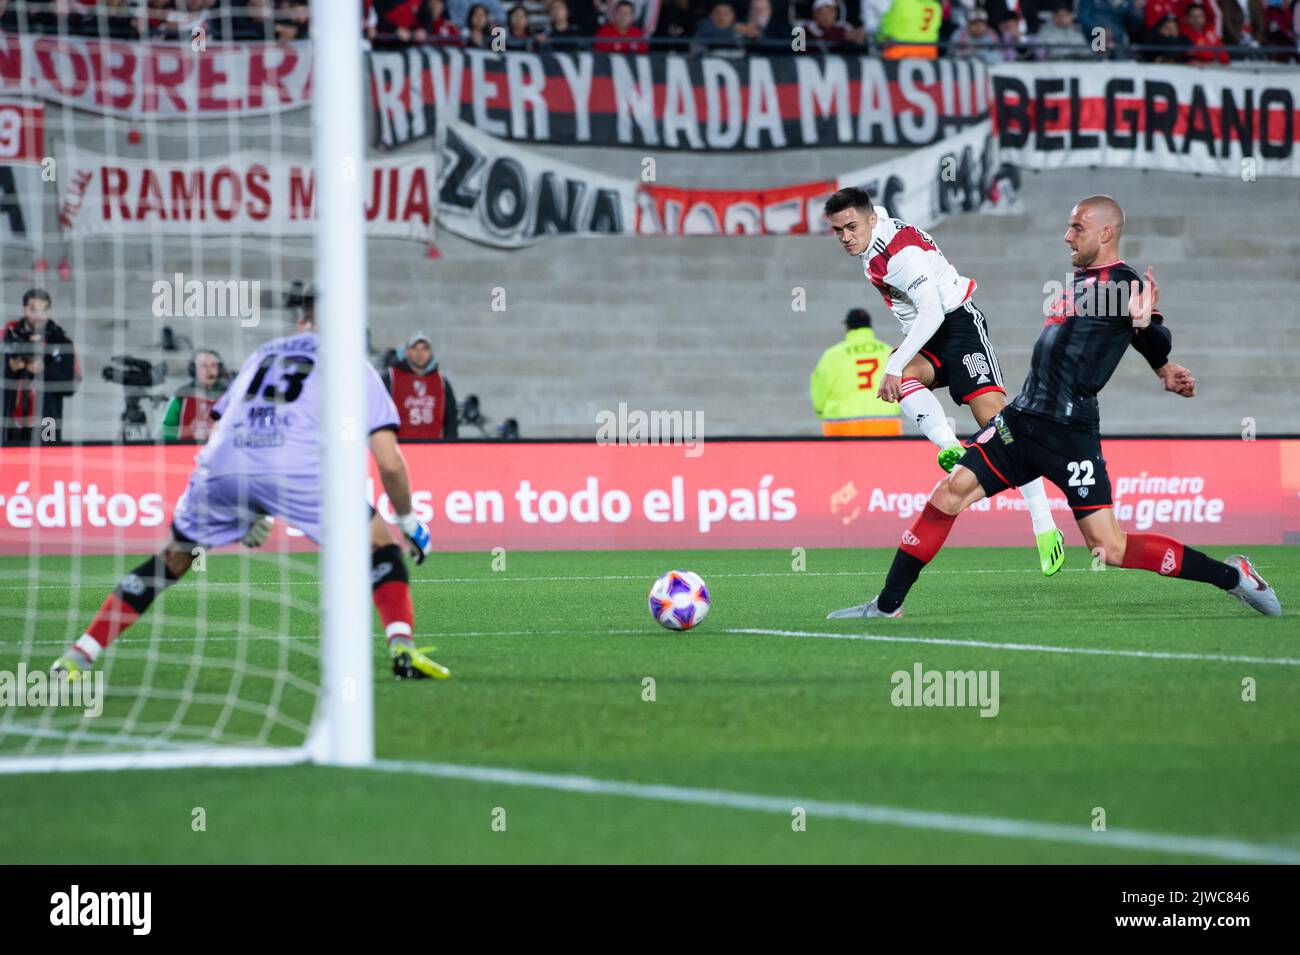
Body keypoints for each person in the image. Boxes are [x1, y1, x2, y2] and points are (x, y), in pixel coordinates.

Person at [828, 195, 1282, 620]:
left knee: (1109, 548)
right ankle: (887, 606)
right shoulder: (1082, 280)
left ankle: (1234, 576)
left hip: (1069, 431)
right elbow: (1138, 337)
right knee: (948, 494)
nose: (1067, 236)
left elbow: (1147, 330)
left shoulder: (1122, 281)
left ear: (1105, 233)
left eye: (1077, 228)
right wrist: (1163, 367)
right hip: (1024, 419)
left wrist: (1157, 344)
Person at [52, 289, 450, 681]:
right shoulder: (350, 363)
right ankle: (403, 648)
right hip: (294, 465)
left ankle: (79, 655)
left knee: (173, 559)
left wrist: (251, 503)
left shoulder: (263, 354)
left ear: (301, 323)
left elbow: (227, 424)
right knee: (380, 542)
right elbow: (389, 462)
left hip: (221, 463)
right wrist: (408, 518)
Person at [824, 187, 1065, 576]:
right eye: (837, 230)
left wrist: (893, 362)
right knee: (901, 376)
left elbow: (933, 311)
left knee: (998, 424)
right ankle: (953, 449)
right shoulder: (875, 234)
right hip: (929, 332)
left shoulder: (898, 254)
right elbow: (918, 311)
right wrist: (898, 364)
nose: (845, 237)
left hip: (957, 326)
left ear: (871, 220)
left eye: (851, 227)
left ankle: (1044, 524)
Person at [3, 289, 80, 446]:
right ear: (24, 309)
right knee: (10, 465)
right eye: (33, 309)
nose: (39, 315)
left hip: (48, 421)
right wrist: (10, 368)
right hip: (10, 420)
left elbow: (71, 385)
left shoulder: (61, 342)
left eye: (43, 310)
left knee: (49, 462)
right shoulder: (6, 339)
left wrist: (42, 371)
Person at [810, 308, 904, 436]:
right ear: (869, 326)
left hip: (841, 426)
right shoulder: (888, 352)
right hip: (885, 423)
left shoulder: (832, 355)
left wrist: (820, 411)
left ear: (847, 327)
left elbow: (819, 391)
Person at [382, 331, 460, 440]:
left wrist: (450, 444)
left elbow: (451, 418)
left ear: (430, 352)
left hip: (433, 448)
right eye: (415, 348)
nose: (420, 353)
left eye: (425, 348)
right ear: (407, 352)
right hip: (401, 447)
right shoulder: (391, 377)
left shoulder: (441, 381)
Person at [159, 349, 229, 443]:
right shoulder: (182, 395)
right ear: (194, 369)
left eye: (213, 366)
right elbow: (167, 429)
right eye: (204, 366)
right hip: (187, 451)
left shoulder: (228, 396)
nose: (209, 371)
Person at [877, 0, 943, 58]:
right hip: (928, 53)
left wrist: (880, 38)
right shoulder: (936, 6)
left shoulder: (901, 2)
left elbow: (888, 27)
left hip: (899, 52)